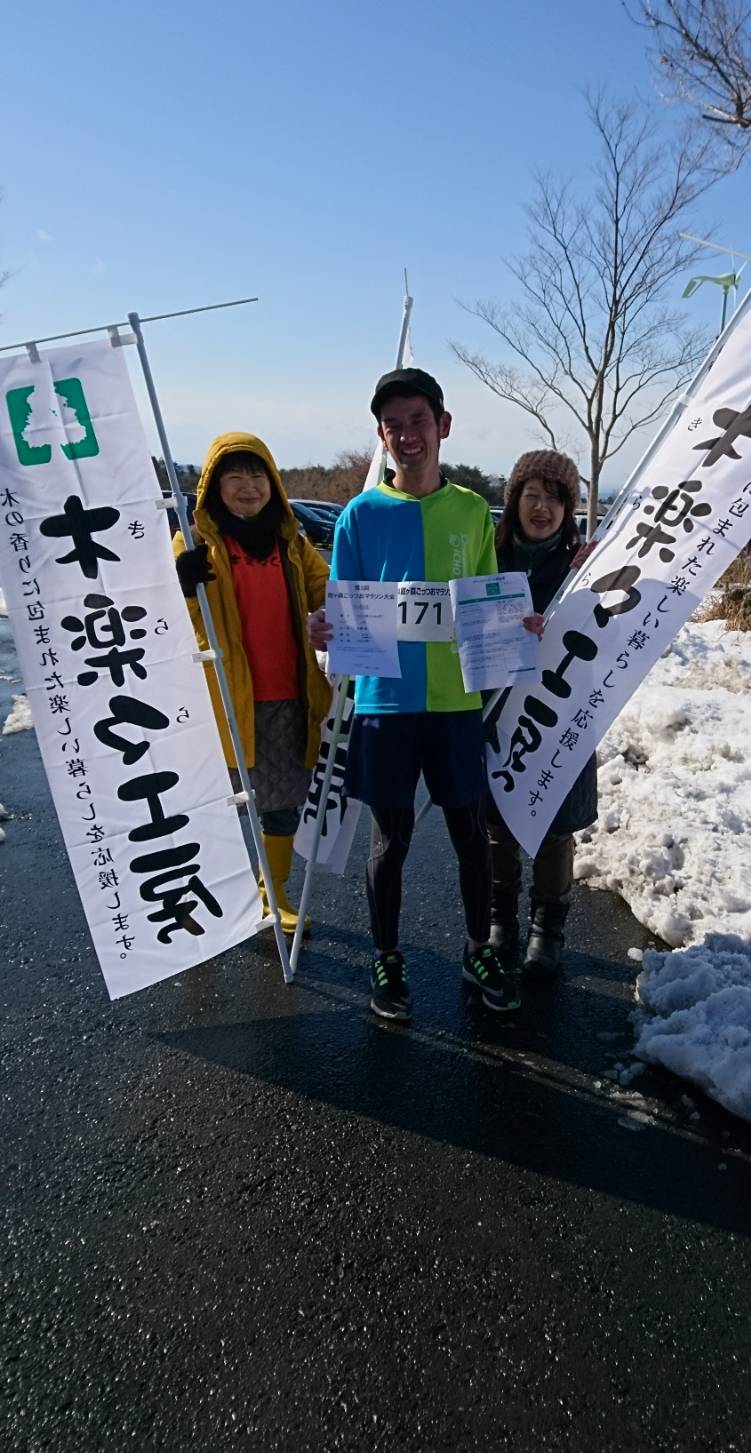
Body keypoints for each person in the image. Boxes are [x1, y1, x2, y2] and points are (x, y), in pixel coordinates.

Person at [309, 369, 541, 1022]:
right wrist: (323, 631)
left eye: (417, 421)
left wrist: (516, 624)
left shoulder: (471, 509)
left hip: (455, 703)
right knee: (392, 841)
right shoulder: (359, 515)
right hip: (385, 701)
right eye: (393, 426)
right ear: (380, 437)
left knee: (471, 834)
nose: (406, 435)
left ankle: (477, 949)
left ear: (442, 424)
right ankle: (387, 957)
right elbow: (340, 608)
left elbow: (488, 599)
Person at [173, 432, 331, 935]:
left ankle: (273, 891)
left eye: (257, 474)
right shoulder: (194, 542)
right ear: (213, 485)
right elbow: (170, 621)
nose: (248, 486)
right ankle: (202, 894)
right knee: (213, 804)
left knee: (282, 803)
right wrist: (181, 582)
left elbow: (324, 591)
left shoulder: (293, 542)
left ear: (273, 483)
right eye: (234, 476)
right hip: (221, 699)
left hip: (288, 693)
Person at [486, 451, 598, 978]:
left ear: (568, 508)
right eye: (532, 495)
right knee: (497, 822)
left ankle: (547, 929)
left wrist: (593, 584)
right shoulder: (486, 556)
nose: (543, 508)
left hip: (558, 710)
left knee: (554, 826)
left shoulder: (587, 565)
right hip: (495, 707)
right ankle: (499, 919)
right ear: (514, 501)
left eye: (555, 498)